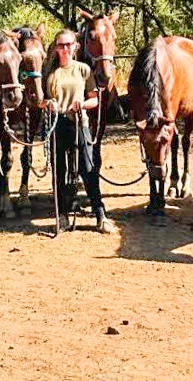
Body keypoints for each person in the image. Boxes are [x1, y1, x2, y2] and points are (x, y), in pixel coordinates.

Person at [43, 29, 116, 234]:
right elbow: (38, 100)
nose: (65, 48)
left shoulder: (83, 70)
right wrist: (47, 104)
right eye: (61, 45)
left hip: (79, 123)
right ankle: (62, 215)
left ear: (75, 46)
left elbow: (94, 99)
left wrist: (82, 104)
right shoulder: (49, 72)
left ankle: (100, 214)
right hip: (57, 124)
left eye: (69, 44)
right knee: (59, 171)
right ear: (56, 48)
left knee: (88, 168)